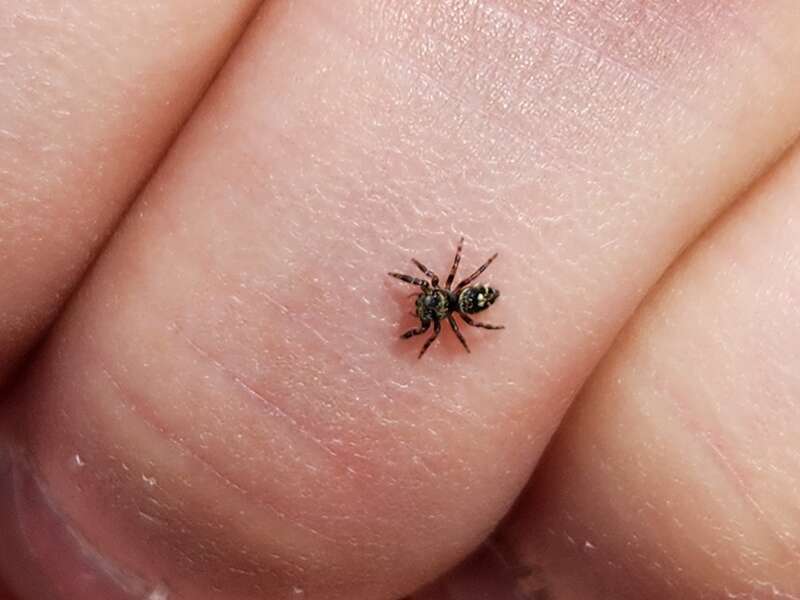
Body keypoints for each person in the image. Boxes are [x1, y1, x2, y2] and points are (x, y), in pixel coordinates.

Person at [1, 2, 799, 598]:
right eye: (433, 311)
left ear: (443, 306)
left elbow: (454, 288)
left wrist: (457, 305)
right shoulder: (446, 306)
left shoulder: (451, 307)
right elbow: (446, 288)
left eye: (432, 312)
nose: (426, 314)